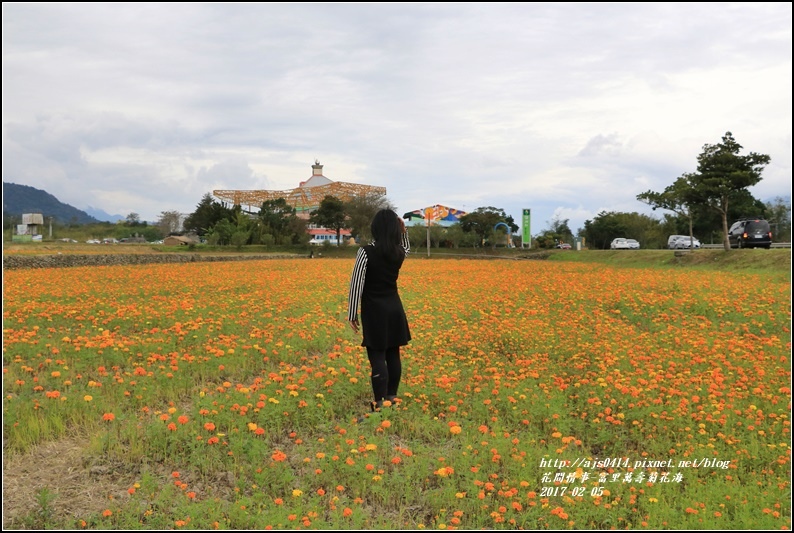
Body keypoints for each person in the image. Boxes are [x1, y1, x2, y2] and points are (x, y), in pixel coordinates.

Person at [347, 209, 411, 414]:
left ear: (375, 228)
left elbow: (356, 283)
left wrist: (352, 313)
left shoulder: (365, 252)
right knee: (393, 353)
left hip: (374, 310)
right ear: (394, 229)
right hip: (395, 308)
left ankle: (379, 402)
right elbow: (406, 247)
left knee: (377, 356)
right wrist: (404, 232)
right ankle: (392, 397)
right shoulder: (398, 252)